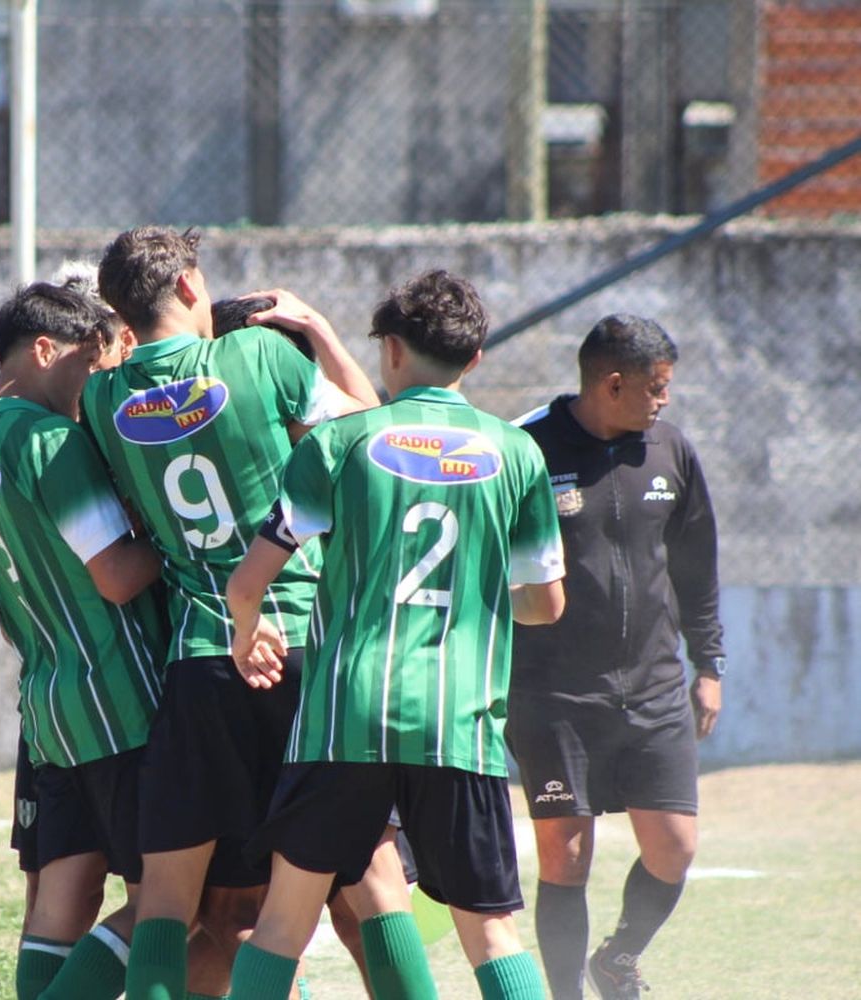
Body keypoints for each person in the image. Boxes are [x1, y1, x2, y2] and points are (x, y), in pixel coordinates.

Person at [222, 269, 567, 1000]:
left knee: (284, 923)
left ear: (391, 352)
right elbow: (546, 604)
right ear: (474, 361)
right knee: (492, 934)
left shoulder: (339, 444)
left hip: (345, 719)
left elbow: (247, 583)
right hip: (458, 722)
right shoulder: (518, 454)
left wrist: (246, 634)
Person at [80, 225, 385, 1000]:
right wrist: (312, 327)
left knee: (172, 899)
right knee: (368, 882)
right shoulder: (259, 357)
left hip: (201, 659)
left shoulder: (103, 395)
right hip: (304, 645)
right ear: (188, 286)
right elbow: (371, 427)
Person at [0, 280, 169, 1000]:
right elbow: (116, 576)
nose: (92, 381)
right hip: (118, 701)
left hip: (51, 710)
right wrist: (184, 542)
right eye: (86, 362)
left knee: (62, 897)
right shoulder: (50, 441)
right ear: (45, 350)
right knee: (166, 901)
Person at [508, 314, 726, 1000]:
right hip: (553, 694)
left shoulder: (671, 450)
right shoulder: (527, 448)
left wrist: (710, 665)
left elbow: (697, 568)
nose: (664, 400)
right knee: (564, 857)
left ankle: (618, 957)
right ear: (612, 383)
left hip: (655, 688)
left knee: (675, 848)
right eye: (656, 388)